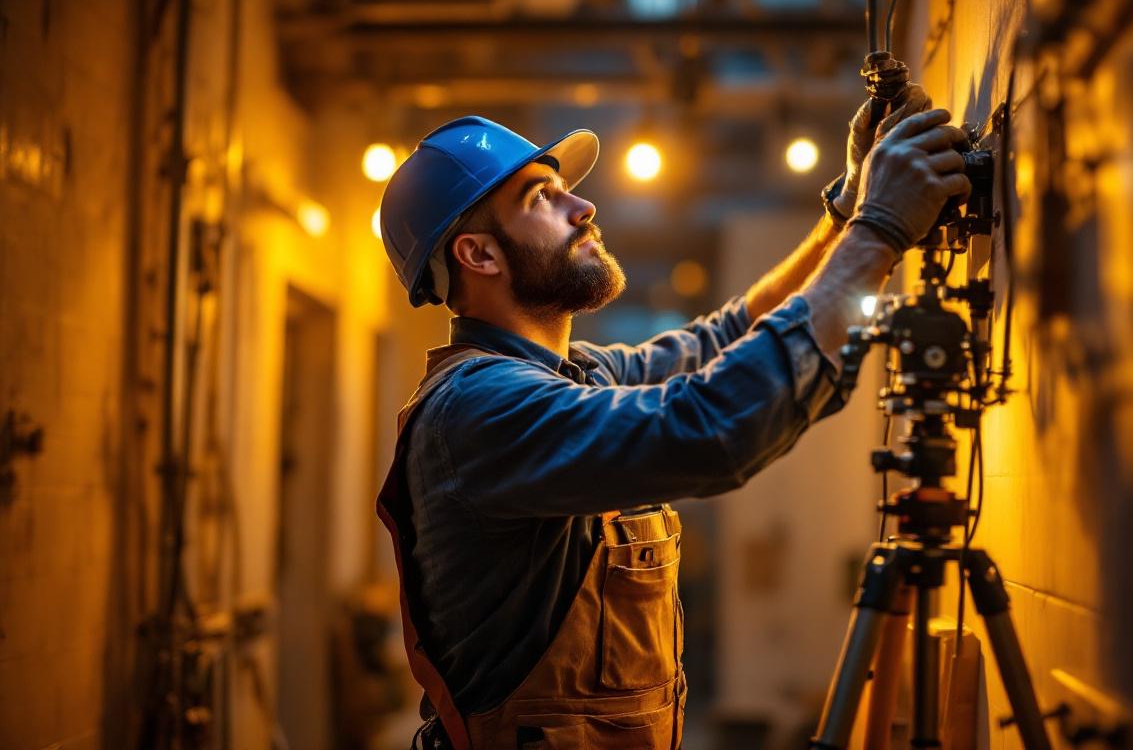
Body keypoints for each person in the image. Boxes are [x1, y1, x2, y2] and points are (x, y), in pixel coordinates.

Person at [375, 95, 970, 749]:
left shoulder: (575, 376)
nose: (584, 206)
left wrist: (847, 214)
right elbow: (705, 428)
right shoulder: (481, 409)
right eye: (543, 197)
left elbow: (729, 337)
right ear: (480, 255)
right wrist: (880, 228)